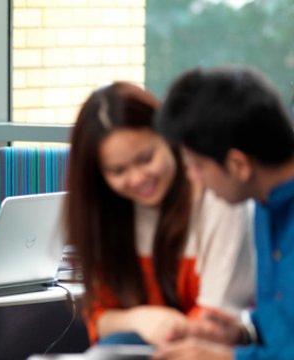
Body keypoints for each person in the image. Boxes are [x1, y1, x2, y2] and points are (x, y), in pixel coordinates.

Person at [63, 82, 255, 347]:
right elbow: (98, 319)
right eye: (118, 171)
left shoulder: (220, 197)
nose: (138, 178)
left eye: (146, 158)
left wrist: (160, 328)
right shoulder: (106, 213)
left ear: (168, 137)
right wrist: (140, 319)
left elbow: (217, 324)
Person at [153, 66, 294, 359]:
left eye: (198, 166)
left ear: (238, 165)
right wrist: (241, 333)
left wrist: (226, 358)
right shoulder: (263, 204)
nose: (193, 178)